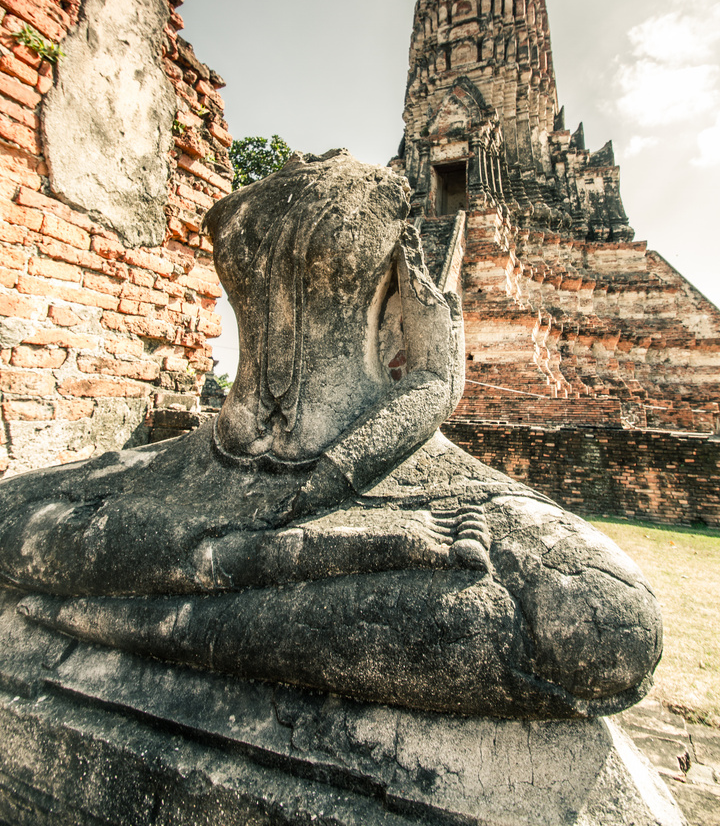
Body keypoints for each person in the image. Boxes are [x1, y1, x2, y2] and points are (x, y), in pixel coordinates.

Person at [0, 150, 662, 719]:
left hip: (298, 458)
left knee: (604, 625)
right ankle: (221, 581)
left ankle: (128, 611)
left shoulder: (368, 201)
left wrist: (429, 391)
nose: (307, 160)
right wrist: (436, 383)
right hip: (224, 460)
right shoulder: (329, 202)